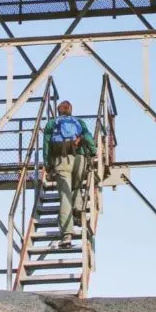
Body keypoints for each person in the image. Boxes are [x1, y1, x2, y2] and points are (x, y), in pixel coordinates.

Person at [42, 101, 97, 248]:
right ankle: (78, 209)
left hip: (62, 160)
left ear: (59, 111)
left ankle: (67, 236)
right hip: (80, 158)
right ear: (71, 111)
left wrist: (48, 165)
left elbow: (46, 145)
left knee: (65, 197)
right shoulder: (79, 122)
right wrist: (93, 152)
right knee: (77, 185)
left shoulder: (52, 124)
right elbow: (89, 138)